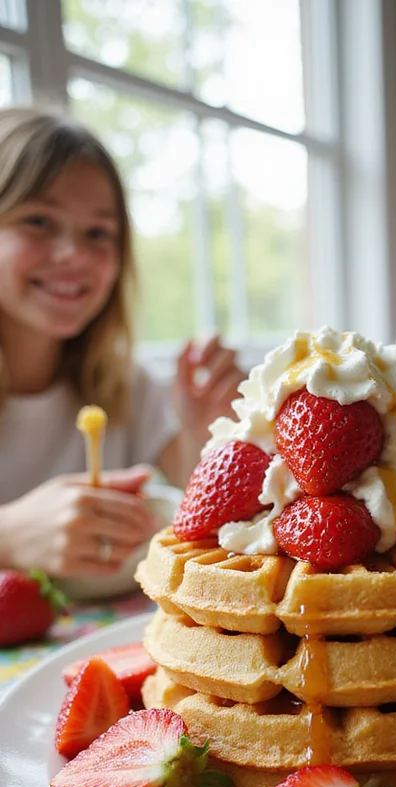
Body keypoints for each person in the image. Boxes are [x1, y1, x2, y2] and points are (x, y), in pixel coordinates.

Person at [0, 106, 243, 578]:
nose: (73, 255)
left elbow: (203, 510)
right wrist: (8, 536)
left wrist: (206, 433)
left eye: (98, 232)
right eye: (39, 221)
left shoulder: (124, 386)